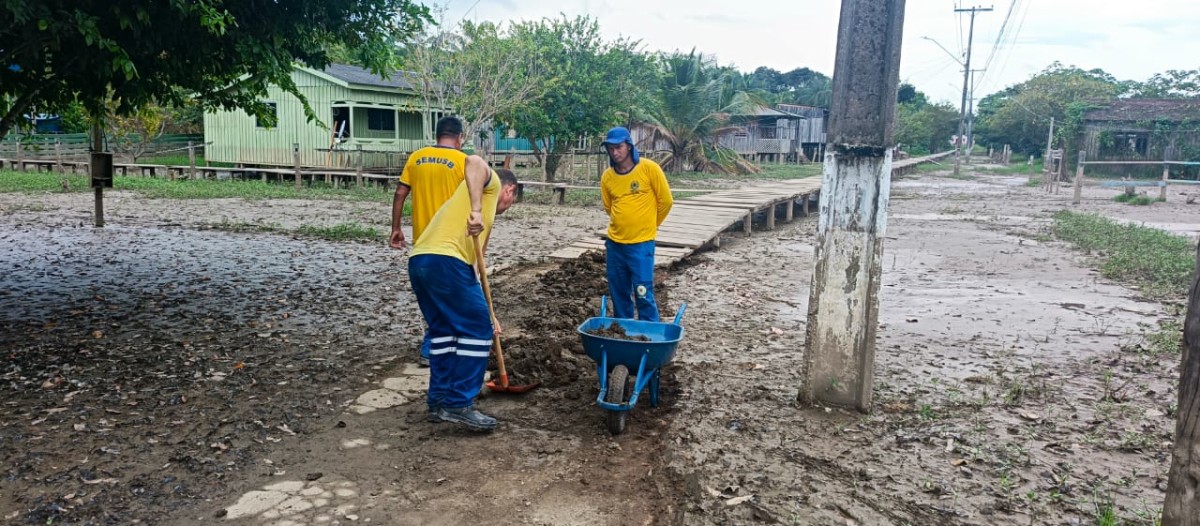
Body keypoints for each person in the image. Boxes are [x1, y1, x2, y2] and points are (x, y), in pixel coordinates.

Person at [408, 160, 520, 431]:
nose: (506, 209)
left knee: (444, 332)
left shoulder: (481, 217)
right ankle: (459, 403)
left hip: (422, 261)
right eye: (511, 203)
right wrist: (477, 211)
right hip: (447, 261)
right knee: (478, 330)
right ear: (510, 191)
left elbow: (474, 271)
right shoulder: (491, 186)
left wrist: (489, 312)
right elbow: (474, 162)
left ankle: (439, 402)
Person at [390, 116, 470, 366]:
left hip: (422, 242)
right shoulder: (463, 161)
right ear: (459, 137)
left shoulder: (416, 158)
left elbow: (400, 193)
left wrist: (396, 228)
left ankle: (442, 344)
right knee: (451, 297)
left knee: (435, 295)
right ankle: (433, 348)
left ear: (437, 135)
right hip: (451, 242)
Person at [599, 126, 673, 322]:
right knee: (618, 291)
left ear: (629, 146)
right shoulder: (608, 177)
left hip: (641, 244)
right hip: (615, 244)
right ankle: (624, 329)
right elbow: (609, 207)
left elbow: (666, 201)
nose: (615, 152)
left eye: (619, 147)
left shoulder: (649, 169)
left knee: (642, 291)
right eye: (610, 149)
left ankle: (649, 330)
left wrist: (650, 225)